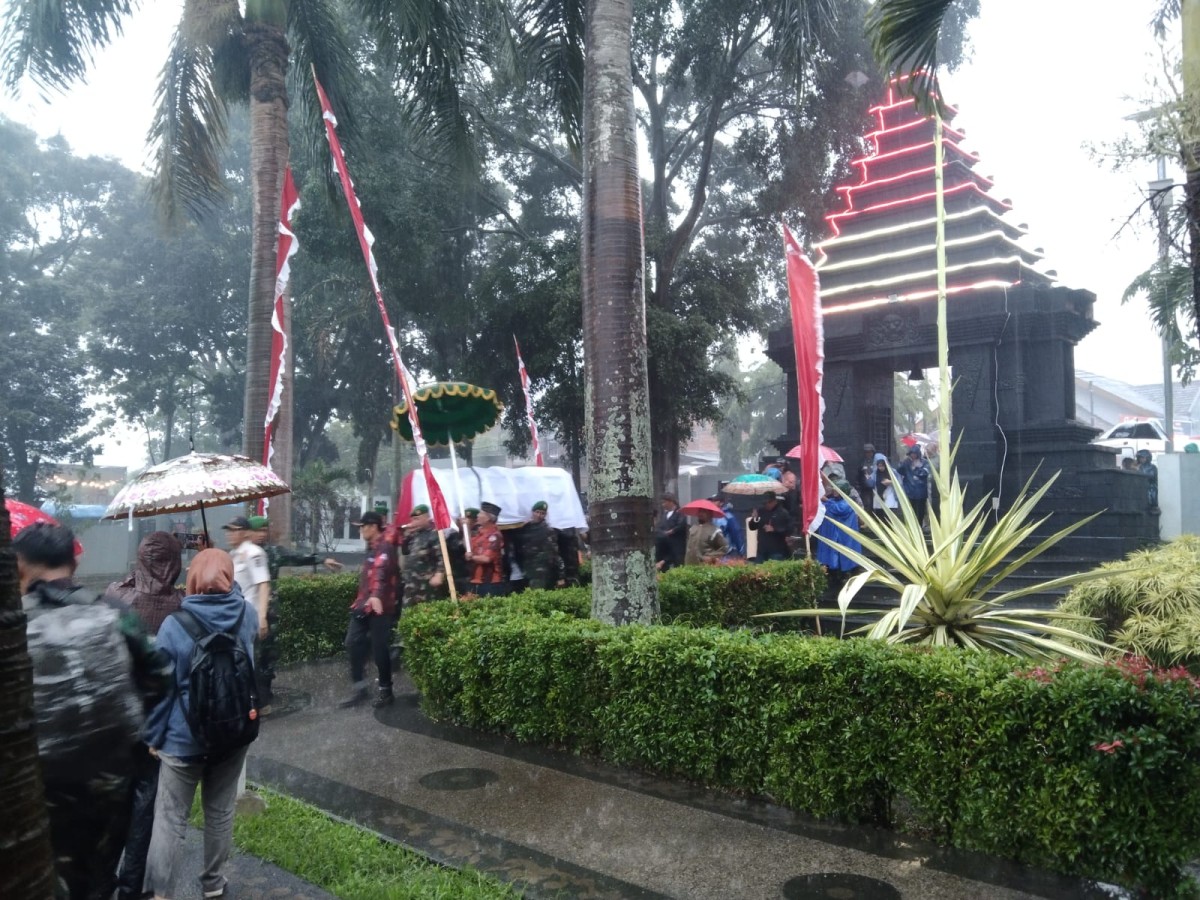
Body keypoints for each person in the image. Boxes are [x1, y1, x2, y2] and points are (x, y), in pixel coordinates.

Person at [17, 523, 171, 900]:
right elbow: (162, 676)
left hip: (37, 785)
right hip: (108, 779)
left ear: (19, 565)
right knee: (99, 870)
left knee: (39, 869)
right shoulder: (112, 612)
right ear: (74, 562)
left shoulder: (16, 621)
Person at [143, 549, 259, 900]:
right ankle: (212, 883)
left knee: (170, 819)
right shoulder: (248, 615)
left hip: (182, 739)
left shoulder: (173, 624)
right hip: (233, 733)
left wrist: (154, 736)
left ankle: (161, 893)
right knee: (220, 812)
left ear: (192, 579)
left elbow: (161, 689)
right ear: (228, 575)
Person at [103, 532, 185, 900]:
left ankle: (102, 879)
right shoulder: (182, 605)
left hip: (117, 718)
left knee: (112, 804)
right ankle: (130, 888)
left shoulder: (116, 596)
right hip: (155, 725)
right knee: (143, 810)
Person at [248, 515, 341, 713]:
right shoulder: (243, 554)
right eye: (258, 530)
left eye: (264, 530)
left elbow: (298, 557)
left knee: (269, 653)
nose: (262, 534)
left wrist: (322, 559)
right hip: (248, 614)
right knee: (252, 657)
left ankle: (264, 693)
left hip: (269, 613)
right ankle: (257, 696)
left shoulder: (273, 552)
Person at [339, 511, 401, 708]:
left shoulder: (385, 547)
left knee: (380, 648)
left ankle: (386, 690)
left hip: (380, 606)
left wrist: (375, 596)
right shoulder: (371, 548)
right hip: (363, 605)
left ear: (373, 527)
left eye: (362, 526)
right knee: (352, 642)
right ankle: (360, 688)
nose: (360, 530)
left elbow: (381, 573)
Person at [815, 475, 862, 592]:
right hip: (834, 539)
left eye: (837, 489)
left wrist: (826, 500)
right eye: (834, 488)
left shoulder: (847, 503)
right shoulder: (834, 501)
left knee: (843, 565)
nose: (834, 491)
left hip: (844, 540)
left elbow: (839, 509)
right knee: (833, 566)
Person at [401, 504, 449, 606]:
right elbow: (405, 551)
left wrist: (439, 574)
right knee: (408, 614)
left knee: (426, 613)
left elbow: (441, 557)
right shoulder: (413, 535)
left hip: (426, 584)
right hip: (411, 584)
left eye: (417, 519)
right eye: (413, 519)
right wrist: (406, 536)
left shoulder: (434, 535)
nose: (414, 522)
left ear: (427, 518)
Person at [468, 502, 507, 596]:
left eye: (481, 513)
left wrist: (472, 557)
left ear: (488, 517)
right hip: (475, 580)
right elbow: (468, 546)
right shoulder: (478, 533)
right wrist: (467, 528)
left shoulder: (495, 536)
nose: (478, 515)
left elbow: (486, 558)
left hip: (490, 582)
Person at [748, 492, 792, 561]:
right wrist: (754, 519)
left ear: (774, 501)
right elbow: (752, 527)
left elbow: (788, 530)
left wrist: (774, 529)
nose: (766, 505)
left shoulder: (783, 513)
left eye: (768, 503)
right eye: (764, 503)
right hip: (762, 549)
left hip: (776, 550)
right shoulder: (761, 511)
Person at [654, 492, 688, 571]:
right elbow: (660, 526)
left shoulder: (680, 512)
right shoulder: (664, 515)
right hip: (665, 546)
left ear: (671, 501)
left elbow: (681, 525)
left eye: (664, 502)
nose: (663, 505)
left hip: (677, 546)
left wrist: (671, 531)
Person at [898, 445, 932, 526]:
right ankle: (911, 527)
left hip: (920, 491)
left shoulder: (924, 462)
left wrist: (917, 468)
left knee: (920, 511)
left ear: (918, 454)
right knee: (910, 510)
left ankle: (919, 526)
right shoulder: (906, 462)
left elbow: (925, 473)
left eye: (914, 454)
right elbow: (899, 471)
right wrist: (903, 463)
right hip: (909, 491)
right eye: (911, 454)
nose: (912, 455)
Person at [866, 453, 899, 521]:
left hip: (889, 494)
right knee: (880, 515)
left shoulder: (892, 472)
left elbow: (899, 482)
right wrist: (868, 479)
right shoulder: (875, 473)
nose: (880, 468)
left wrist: (890, 482)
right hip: (879, 496)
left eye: (882, 465)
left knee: (889, 515)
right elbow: (870, 484)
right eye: (878, 465)